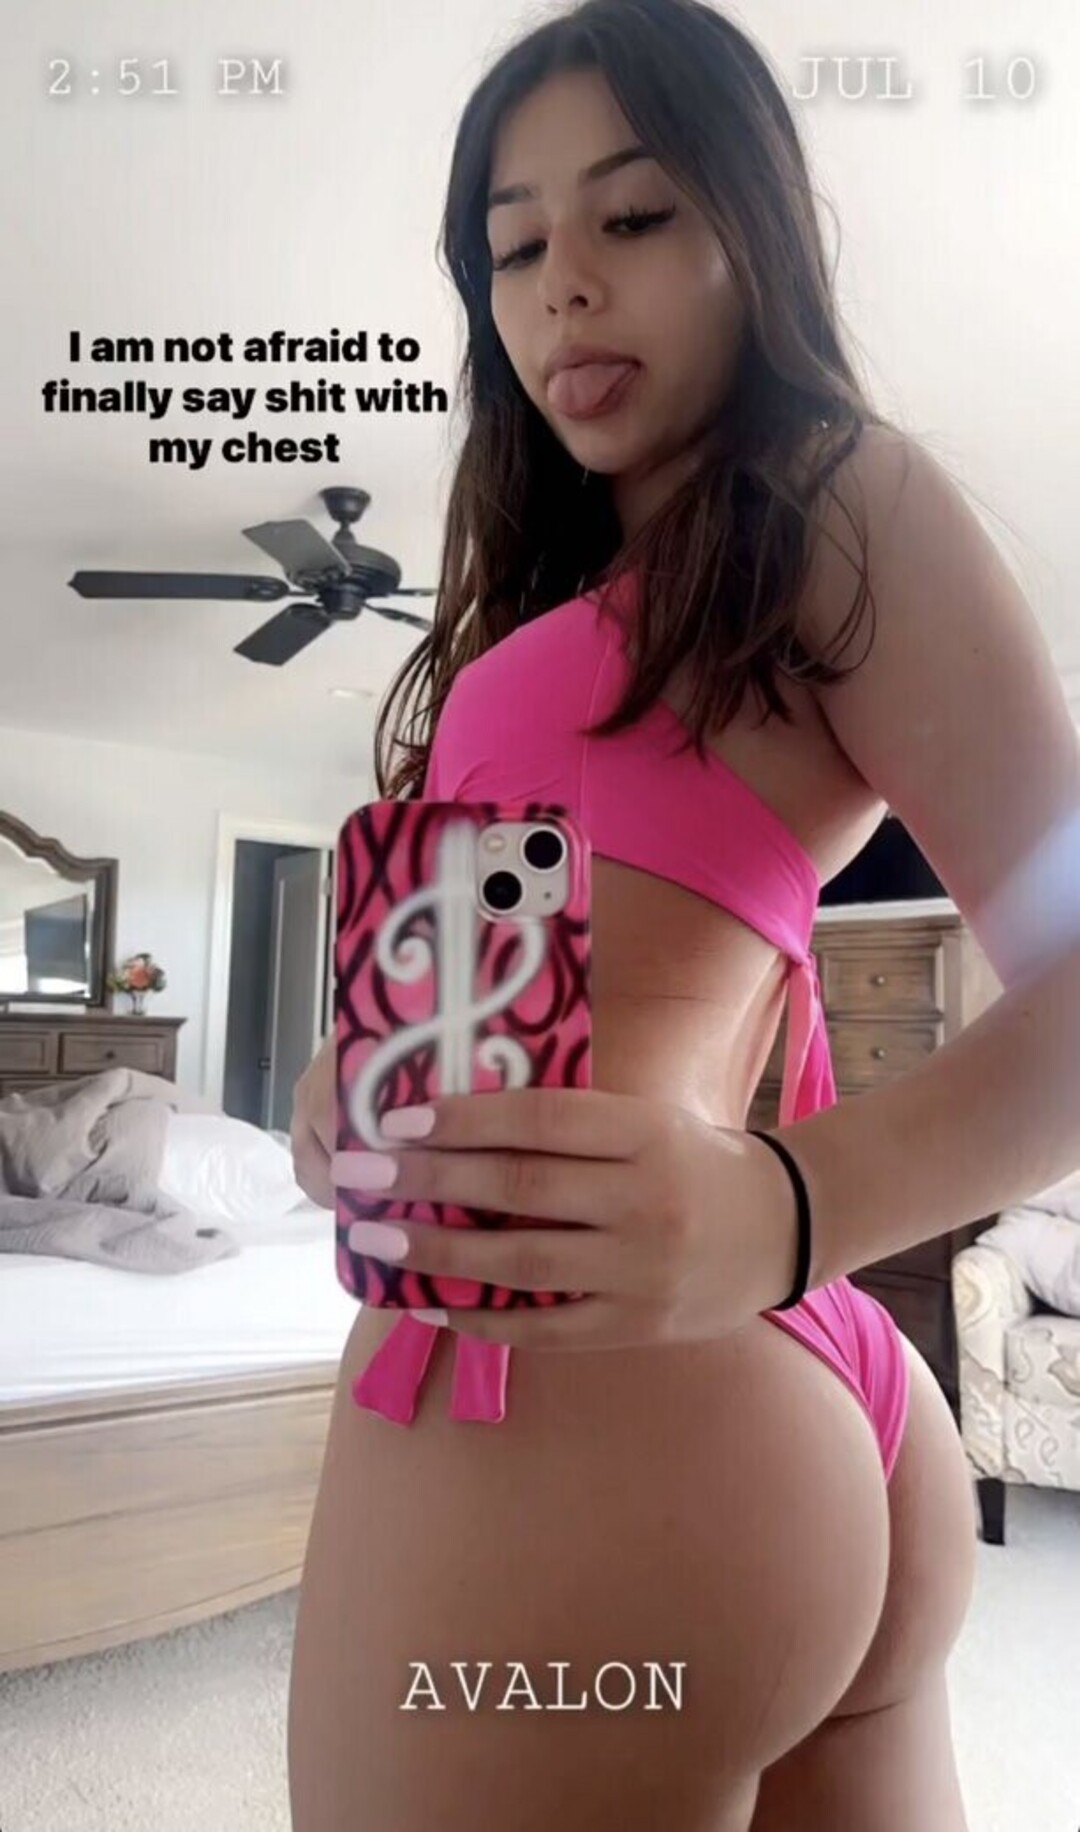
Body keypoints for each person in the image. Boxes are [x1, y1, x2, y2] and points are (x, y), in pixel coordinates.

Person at [287, 3, 1080, 1827]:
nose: (564, 283)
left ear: (754, 228)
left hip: (600, 1385)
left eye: (633, 216)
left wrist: (787, 1209)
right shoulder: (582, 601)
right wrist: (351, 1081)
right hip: (741, 1394)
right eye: (513, 250)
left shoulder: (832, 498)